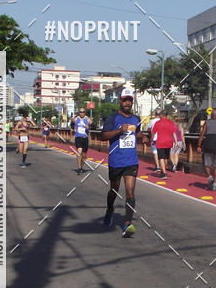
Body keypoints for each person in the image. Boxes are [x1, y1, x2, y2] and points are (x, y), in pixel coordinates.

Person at [99, 89, 144, 237]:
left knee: (130, 192)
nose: (127, 103)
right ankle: (110, 209)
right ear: (120, 101)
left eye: (130, 100)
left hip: (131, 161)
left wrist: (143, 137)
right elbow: (102, 136)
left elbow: (137, 134)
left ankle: (127, 224)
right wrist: (119, 131)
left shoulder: (136, 119)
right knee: (114, 191)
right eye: (125, 100)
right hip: (116, 161)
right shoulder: (113, 118)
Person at [197, 107, 216, 191]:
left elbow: (202, 134)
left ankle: (210, 177)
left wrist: (199, 145)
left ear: (211, 115)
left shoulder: (207, 123)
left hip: (208, 144)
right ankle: (214, 183)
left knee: (206, 163)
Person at [152, 111, 178, 179]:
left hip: (160, 142)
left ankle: (164, 173)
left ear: (161, 115)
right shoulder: (171, 123)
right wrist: (176, 142)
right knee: (166, 157)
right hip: (169, 142)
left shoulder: (158, 123)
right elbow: (174, 133)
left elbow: (153, 132)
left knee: (161, 157)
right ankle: (163, 170)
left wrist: (152, 140)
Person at [71, 108, 91, 174]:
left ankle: (81, 166)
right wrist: (73, 128)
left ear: (85, 112)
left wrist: (88, 127)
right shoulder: (76, 119)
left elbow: (91, 124)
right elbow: (72, 122)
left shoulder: (87, 119)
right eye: (80, 112)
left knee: (84, 155)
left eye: (83, 112)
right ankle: (79, 167)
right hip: (78, 137)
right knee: (79, 152)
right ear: (79, 112)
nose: (82, 113)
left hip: (85, 137)